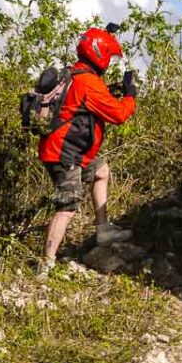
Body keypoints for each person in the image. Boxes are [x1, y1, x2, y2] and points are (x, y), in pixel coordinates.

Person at [38, 25, 137, 274]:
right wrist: (130, 95)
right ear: (100, 54)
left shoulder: (75, 72)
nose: (110, 62)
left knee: (101, 171)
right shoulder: (89, 82)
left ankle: (103, 231)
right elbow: (119, 114)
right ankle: (45, 266)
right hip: (65, 153)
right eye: (109, 57)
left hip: (69, 150)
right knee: (67, 208)